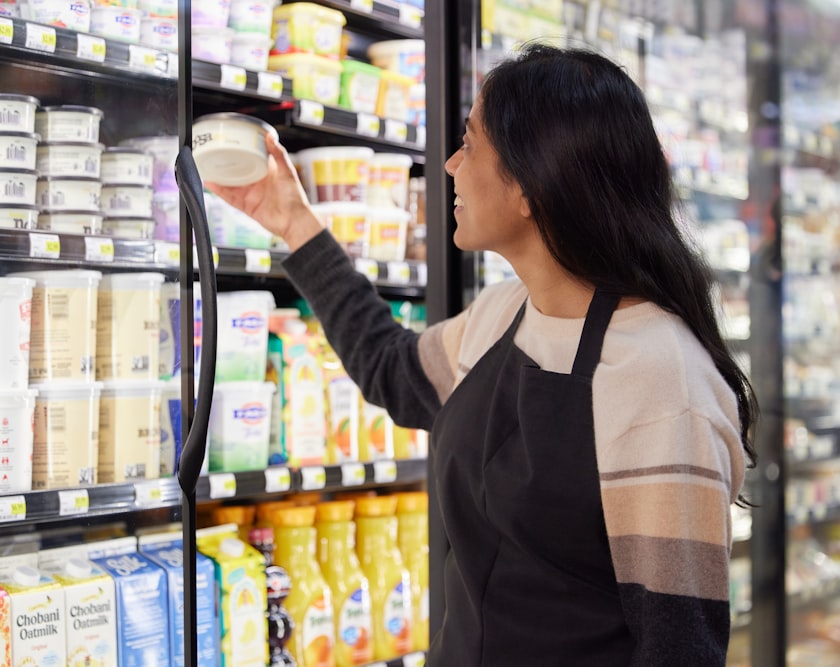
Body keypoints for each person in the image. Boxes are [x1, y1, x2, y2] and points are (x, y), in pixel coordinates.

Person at [207, 43, 756, 666]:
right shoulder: (505, 316)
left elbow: (678, 650)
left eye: (469, 143)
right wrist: (292, 221)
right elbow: (391, 368)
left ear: (529, 184)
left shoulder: (660, 381)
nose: (449, 165)